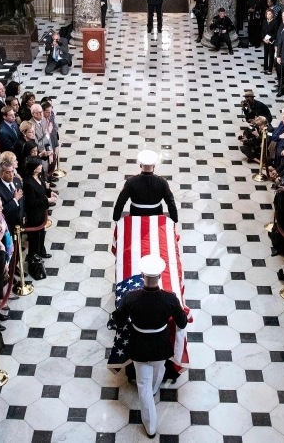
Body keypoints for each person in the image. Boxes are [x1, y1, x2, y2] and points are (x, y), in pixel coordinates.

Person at [112, 255, 188, 439]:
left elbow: (118, 320)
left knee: (142, 384)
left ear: (142, 274)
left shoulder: (131, 297)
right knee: (158, 368)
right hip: (161, 345)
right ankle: (155, 389)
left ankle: (150, 426)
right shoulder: (169, 299)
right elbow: (183, 323)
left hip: (139, 346)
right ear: (160, 276)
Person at [112, 150, 177, 222]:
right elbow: (170, 202)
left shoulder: (131, 182)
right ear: (154, 165)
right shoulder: (162, 182)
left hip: (136, 214)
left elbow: (121, 201)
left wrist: (116, 218)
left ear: (140, 165)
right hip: (156, 214)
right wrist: (174, 220)